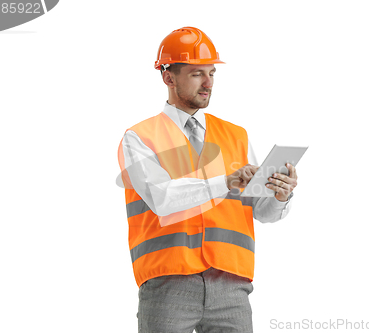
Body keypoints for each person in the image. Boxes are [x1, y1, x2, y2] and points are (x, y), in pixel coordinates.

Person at [118, 26, 299, 333]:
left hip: (232, 284)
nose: (208, 83)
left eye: (212, 73)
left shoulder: (236, 135)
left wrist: (281, 197)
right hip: (167, 283)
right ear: (168, 77)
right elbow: (163, 200)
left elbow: (261, 211)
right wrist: (226, 181)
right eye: (196, 73)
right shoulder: (139, 138)